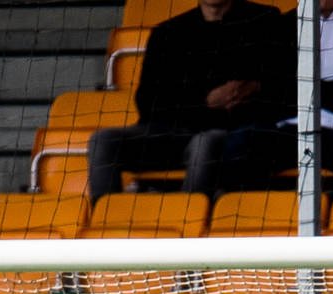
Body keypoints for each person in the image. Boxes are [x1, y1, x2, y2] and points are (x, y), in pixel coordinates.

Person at [87, 0, 292, 200]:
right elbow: (148, 102)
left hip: (231, 133)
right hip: (171, 133)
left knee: (204, 142)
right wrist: (206, 102)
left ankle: (189, 220)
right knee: (103, 141)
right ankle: (104, 222)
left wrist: (249, 89)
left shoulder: (264, 21)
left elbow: (276, 88)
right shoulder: (167, 33)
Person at [224, 0, 333, 194]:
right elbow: (276, 92)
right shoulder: (284, 26)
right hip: (293, 127)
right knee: (240, 146)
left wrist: (308, 88)